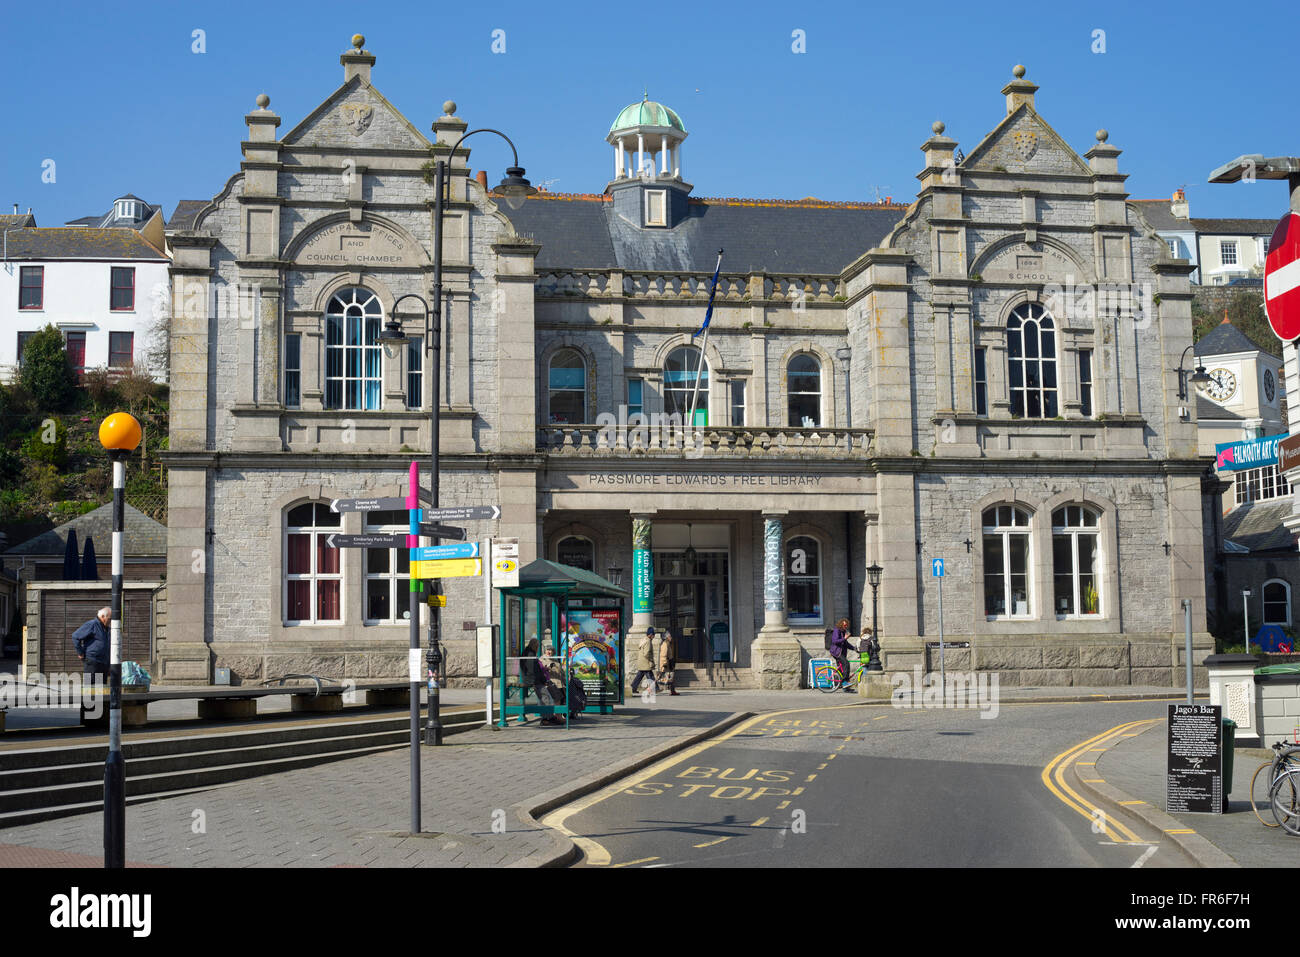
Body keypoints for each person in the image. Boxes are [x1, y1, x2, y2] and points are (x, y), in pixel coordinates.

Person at [522, 638, 563, 725]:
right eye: (537, 647)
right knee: (546, 698)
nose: (549, 651)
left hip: (535, 680)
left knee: (548, 697)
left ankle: (550, 717)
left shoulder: (529, 653)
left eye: (551, 650)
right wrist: (543, 679)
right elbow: (535, 670)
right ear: (535, 646)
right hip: (535, 680)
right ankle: (547, 718)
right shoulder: (531, 655)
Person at [72, 607, 112, 681]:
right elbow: (75, 636)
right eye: (109, 619)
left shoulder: (107, 629)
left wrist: (108, 665)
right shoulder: (92, 624)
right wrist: (80, 653)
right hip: (92, 663)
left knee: (100, 689)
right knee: (89, 688)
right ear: (103, 616)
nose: (110, 621)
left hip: (103, 664)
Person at [828, 617, 856, 691]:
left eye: (846, 625)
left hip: (841, 652)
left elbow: (846, 644)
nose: (846, 626)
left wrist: (855, 648)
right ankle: (845, 682)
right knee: (846, 663)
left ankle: (845, 688)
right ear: (841, 625)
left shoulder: (843, 632)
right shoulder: (836, 630)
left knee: (842, 669)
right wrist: (845, 638)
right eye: (844, 625)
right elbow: (835, 641)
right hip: (836, 652)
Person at [630, 626, 659, 694]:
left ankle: (633, 687)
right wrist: (651, 660)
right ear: (651, 634)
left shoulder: (643, 639)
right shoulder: (648, 641)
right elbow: (647, 653)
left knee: (639, 676)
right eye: (653, 635)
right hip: (646, 662)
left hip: (641, 662)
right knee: (650, 676)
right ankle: (656, 688)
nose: (654, 637)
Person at [658, 629, 678, 695]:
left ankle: (672, 690)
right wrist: (664, 664)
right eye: (670, 637)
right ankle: (653, 688)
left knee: (671, 676)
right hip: (666, 663)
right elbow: (663, 655)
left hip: (669, 662)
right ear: (667, 637)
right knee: (661, 677)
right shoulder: (665, 644)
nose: (671, 638)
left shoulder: (668, 643)